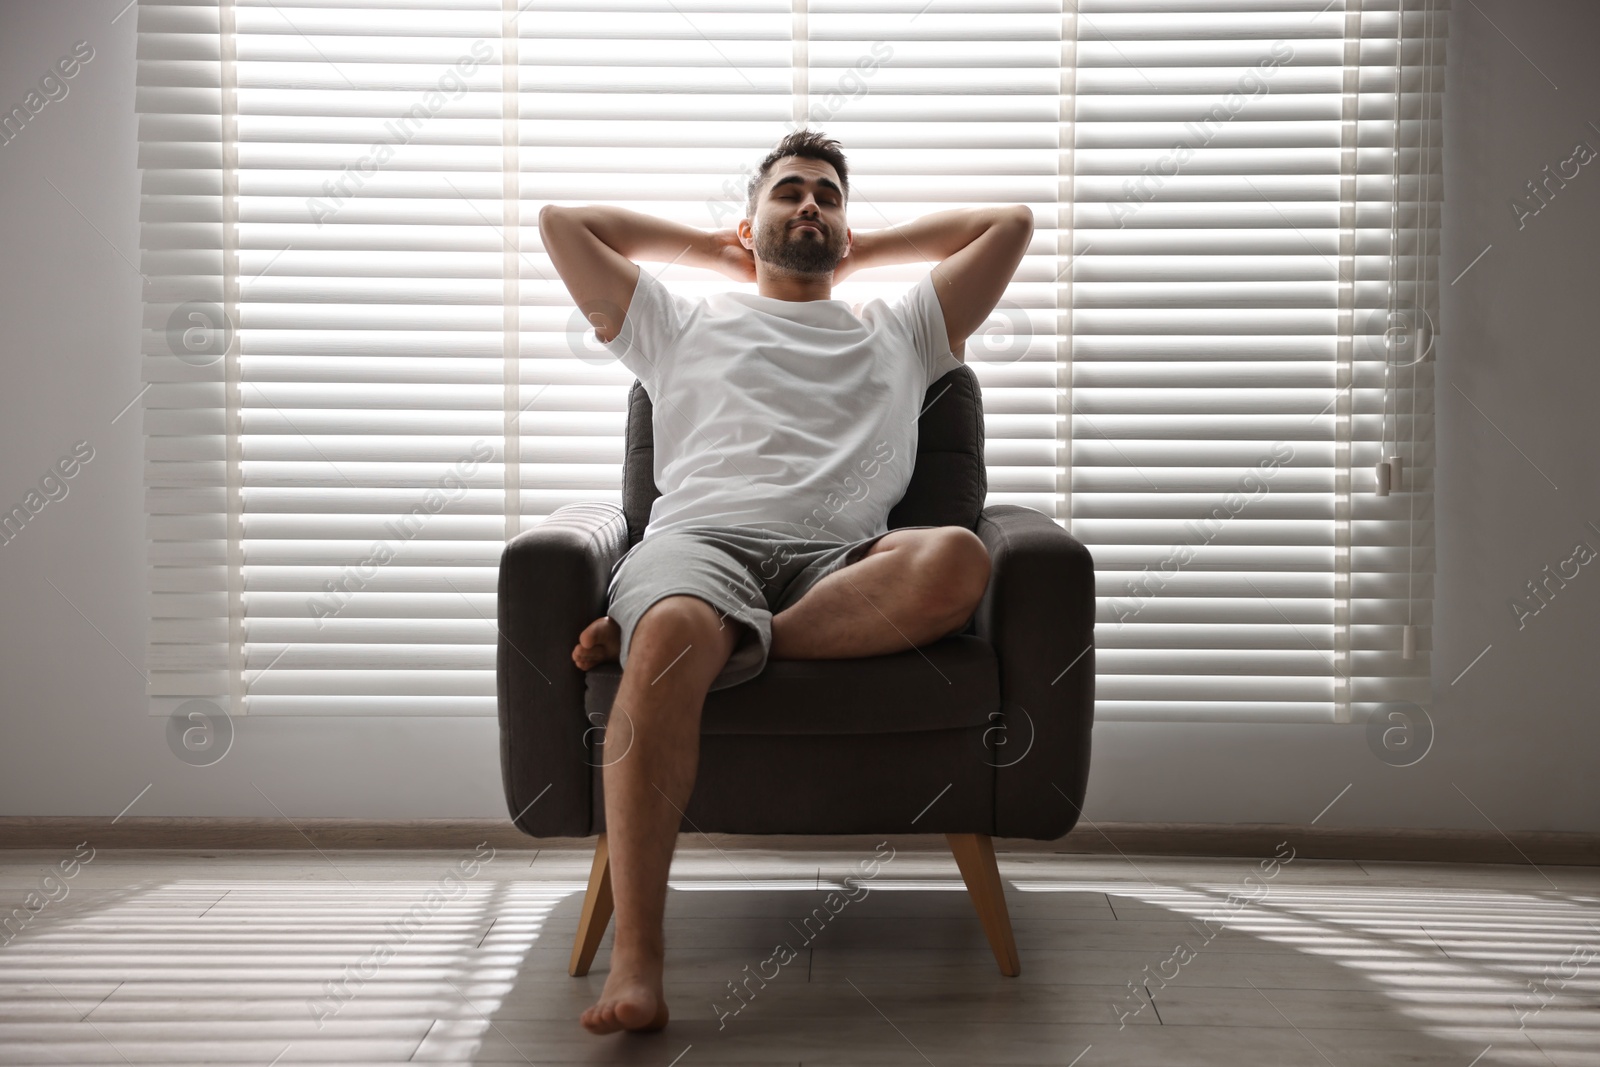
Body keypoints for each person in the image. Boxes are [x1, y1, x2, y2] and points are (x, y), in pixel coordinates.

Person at [537, 129, 1033, 1035]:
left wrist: (869, 251)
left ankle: (703, 637)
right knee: (682, 610)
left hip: (842, 564)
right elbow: (564, 225)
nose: (811, 205)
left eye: (829, 198)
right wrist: (708, 250)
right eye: (790, 193)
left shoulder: (904, 325)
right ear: (751, 218)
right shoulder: (677, 321)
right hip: (701, 544)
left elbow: (1009, 223)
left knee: (959, 555)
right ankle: (640, 963)